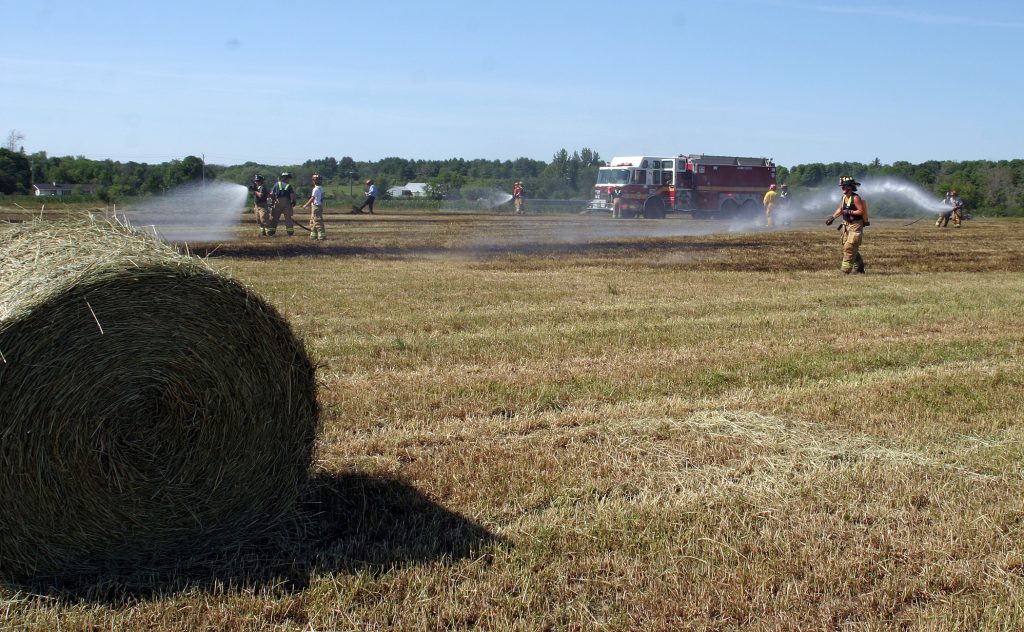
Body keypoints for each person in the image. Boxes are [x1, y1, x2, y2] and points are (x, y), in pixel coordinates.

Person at [825, 176, 868, 274]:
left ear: (850, 187)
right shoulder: (844, 197)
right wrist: (832, 218)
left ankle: (845, 271)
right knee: (847, 246)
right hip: (846, 225)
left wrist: (849, 212)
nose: (842, 188)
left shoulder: (856, 198)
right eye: (842, 186)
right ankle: (859, 267)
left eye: (844, 186)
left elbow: (860, 211)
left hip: (855, 226)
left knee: (849, 247)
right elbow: (840, 209)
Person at [269, 172, 297, 236]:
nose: (289, 180)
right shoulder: (289, 186)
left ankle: (271, 232)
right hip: (286, 203)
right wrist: (293, 201)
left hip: (277, 202)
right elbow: (292, 195)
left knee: (275, 218)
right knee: (288, 218)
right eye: (288, 178)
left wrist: (272, 200)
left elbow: (272, 193)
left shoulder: (276, 184)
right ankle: (290, 232)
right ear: (286, 178)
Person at [300, 173, 326, 240]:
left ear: (313, 181)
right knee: (312, 221)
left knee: (317, 221)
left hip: (316, 206)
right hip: (318, 206)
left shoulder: (315, 189)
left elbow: (312, 198)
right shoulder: (321, 188)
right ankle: (313, 235)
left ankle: (321, 235)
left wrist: (305, 205)